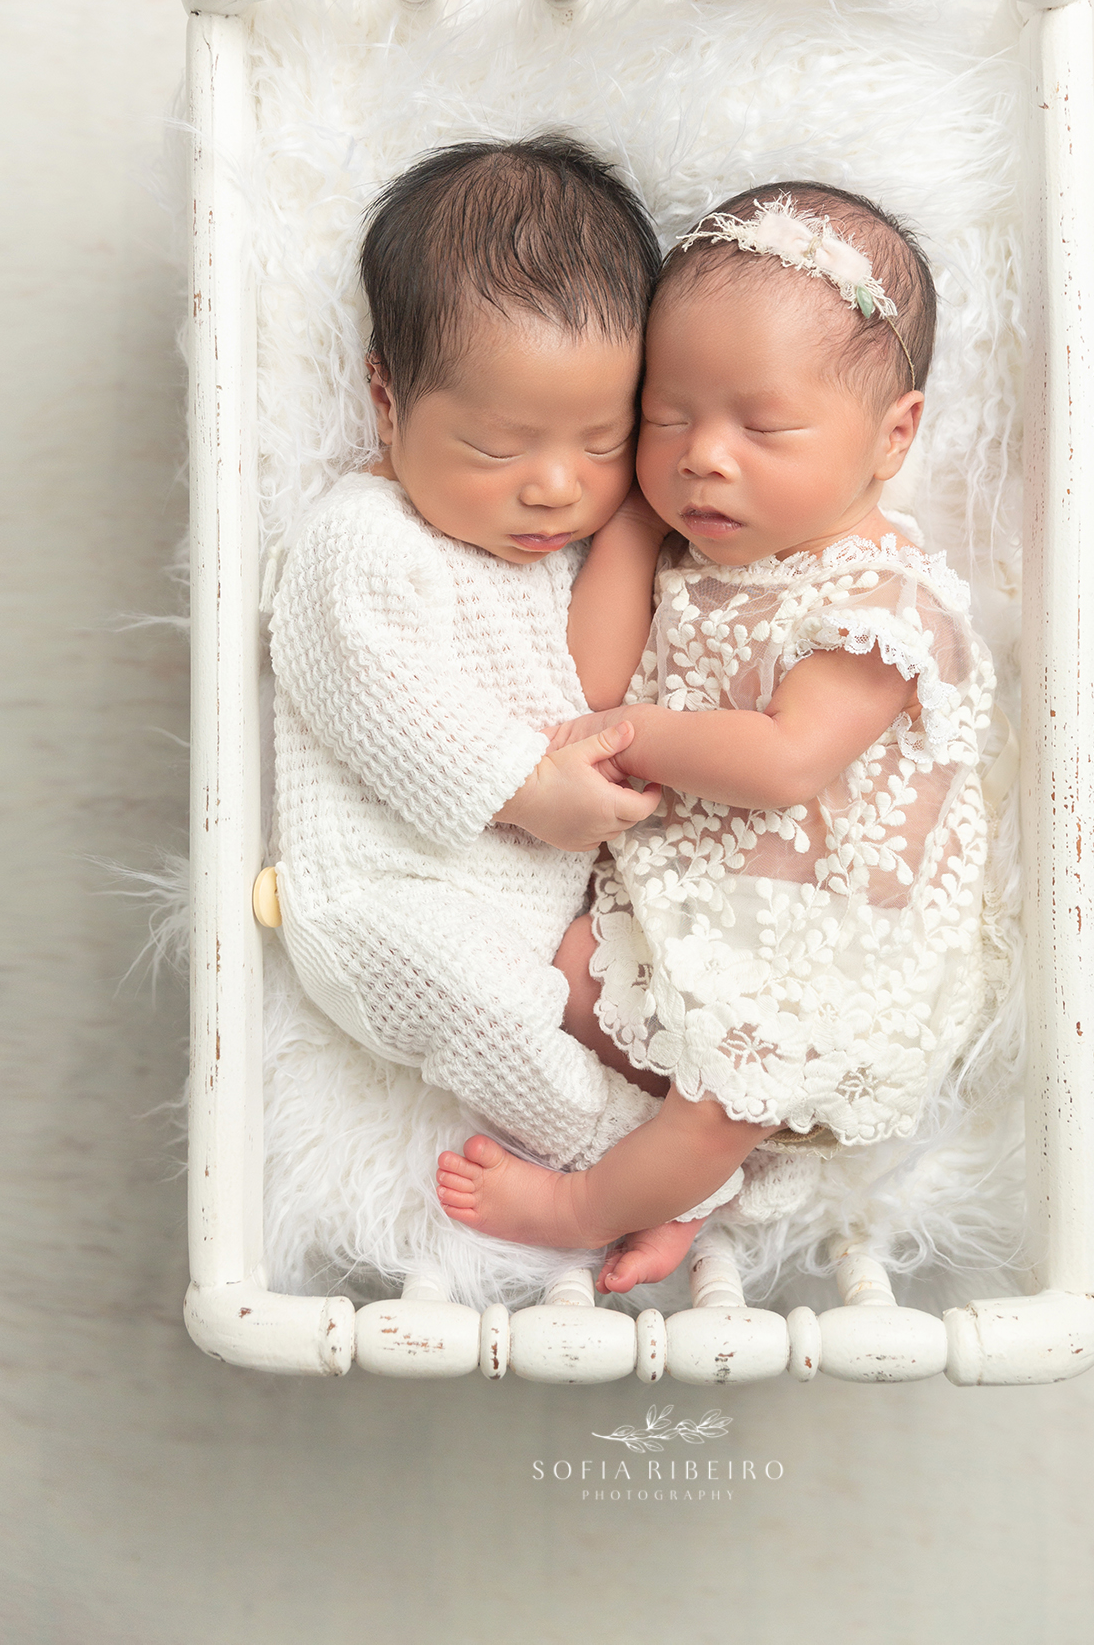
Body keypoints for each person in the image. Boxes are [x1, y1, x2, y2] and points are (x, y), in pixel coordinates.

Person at [436, 183, 998, 1291]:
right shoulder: (698, 559)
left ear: (895, 437)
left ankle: (583, 1201)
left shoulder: (879, 597)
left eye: (763, 424)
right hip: (691, 893)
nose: (704, 456)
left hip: (817, 938)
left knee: (718, 1093)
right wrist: (632, 534)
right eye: (668, 415)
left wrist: (638, 731)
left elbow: (790, 757)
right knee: (563, 990)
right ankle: (686, 1194)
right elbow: (591, 679)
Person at [269, 134, 680, 1179]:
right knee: (492, 1012)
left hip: (526, 903)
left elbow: (590, 678)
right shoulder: (363, 538)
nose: (554, 486)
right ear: (388, 398)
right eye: (498, 447)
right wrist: (530, 784)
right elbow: (378, 693)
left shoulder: (553, 549)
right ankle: (609, 1149)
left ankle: (693, 1129)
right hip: (383, 901)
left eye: (600, 441)